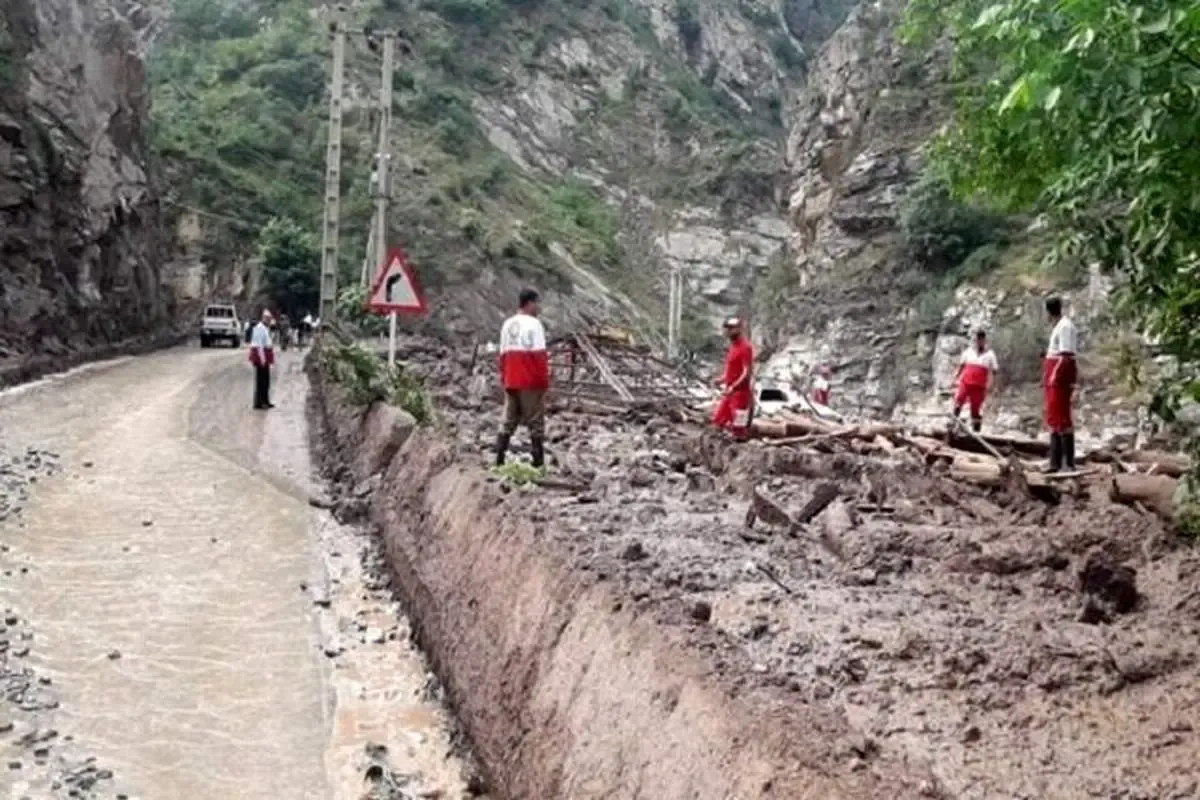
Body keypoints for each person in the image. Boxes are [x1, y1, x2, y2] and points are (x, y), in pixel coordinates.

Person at [495, 289, 549, 469]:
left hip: (511, 378)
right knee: (535, 421)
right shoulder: (535, 324)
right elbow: (540, 356)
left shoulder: (507, 324)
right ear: (530, 303)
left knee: (509, 418)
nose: (538, 307)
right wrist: (544, 382)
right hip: (530, 379)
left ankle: (499, 459)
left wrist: (504, 378)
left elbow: (502, 355)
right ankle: (538, 463)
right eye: (537, 303)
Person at [1043, 296, 1078, 471]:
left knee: (1062, 416)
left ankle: (1067, 462)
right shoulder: (1059, 326)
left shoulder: (1065, 326)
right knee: (1054, 415)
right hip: (1054, 370)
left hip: (1059, 373)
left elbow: (1065, 355)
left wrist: (1054, 375)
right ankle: (1055, 462)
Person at [712, 317, 754, 441]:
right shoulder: (732, 347)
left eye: (732, 328)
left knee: (738, 429)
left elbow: (746, 372)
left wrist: (734, 386)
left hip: (740, 394)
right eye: (728, 329)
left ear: (739, 329)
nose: (729, 331)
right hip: (729, 392)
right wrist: (720, 380)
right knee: (717, 421)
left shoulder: (746, 347)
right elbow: (730, 371)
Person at [952, 330, 999, 432]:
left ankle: (976, 432)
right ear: (975, 341)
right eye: (977, 340)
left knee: (975, 409)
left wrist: (992, 385)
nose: (979, 343)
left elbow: (995, 371)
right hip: (966, 382)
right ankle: (953, 424)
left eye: (981, 340)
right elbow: (962, 365)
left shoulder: (990, 354)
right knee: (958, 401)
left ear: (984, 341)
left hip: (979, 386)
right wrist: (956, 375)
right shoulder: (968, 352)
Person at [248, 309, 276, 410]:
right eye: (268, 319)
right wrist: (263, 359)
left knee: (266, 380)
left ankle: (265, 400)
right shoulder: (259, 328)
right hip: (261, 356)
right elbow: (259, 345)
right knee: (261, 381)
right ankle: (259, 402)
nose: (269, 321)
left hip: (265, 355)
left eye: (270, 319)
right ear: (264, 318)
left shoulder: (265, 328)